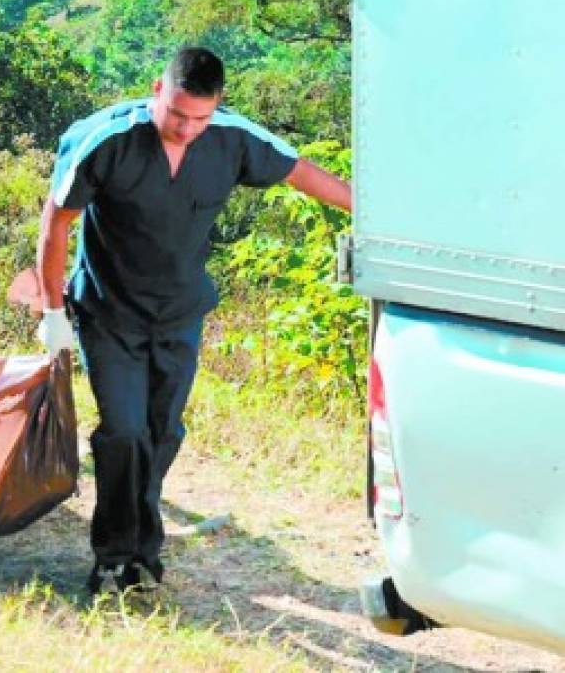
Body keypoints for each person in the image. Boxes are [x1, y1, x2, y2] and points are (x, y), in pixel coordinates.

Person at [36, 47, 351, 597]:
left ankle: (143, 556)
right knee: (123, 430)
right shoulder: (106, 141)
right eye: (177, 114)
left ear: (217, 106)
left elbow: (302, 173)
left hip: (179, 314)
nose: (186, 129)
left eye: (199, 118)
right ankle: (112, 557)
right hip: (110, 313)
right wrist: (51, 313)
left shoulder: (231, 138)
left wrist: (382, 220)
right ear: (158, 89)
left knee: (162, 432)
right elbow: (56, 222)